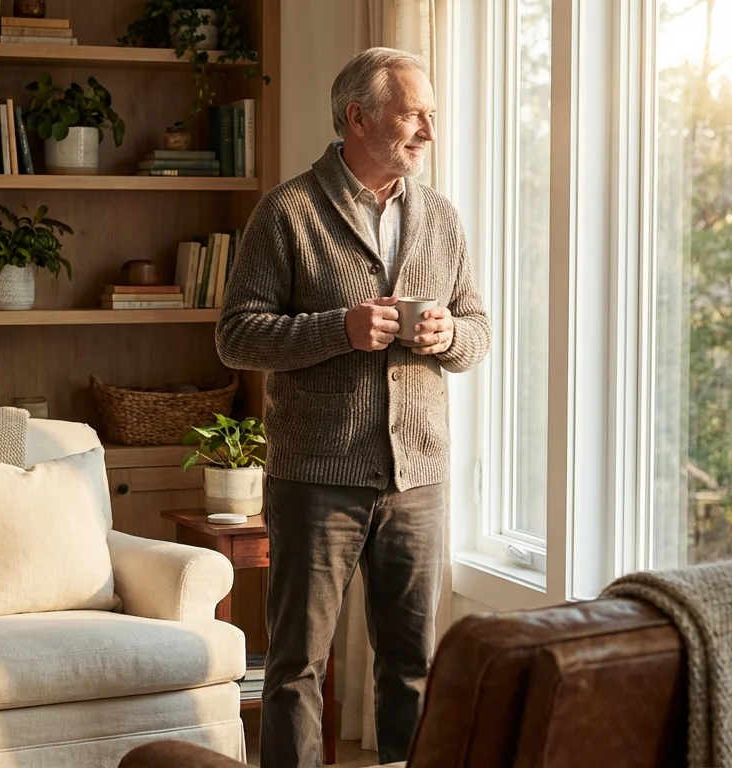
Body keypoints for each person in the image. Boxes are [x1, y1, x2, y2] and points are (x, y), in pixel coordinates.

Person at [215, 47, 491, 767]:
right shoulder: (289, 210)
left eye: (432, 116)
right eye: (413, 115)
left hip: (418, 483)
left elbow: (478, 333)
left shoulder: (441, 218)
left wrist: (447, 334)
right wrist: (337, 329)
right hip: (315, 479)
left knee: (413, 667)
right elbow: (237, 335)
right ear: (358, 117)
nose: (428, 131)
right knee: (296, 668)